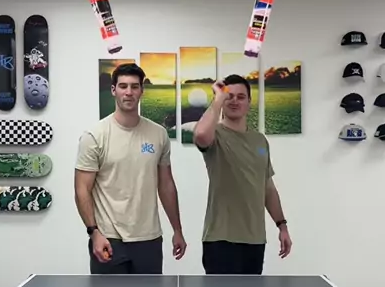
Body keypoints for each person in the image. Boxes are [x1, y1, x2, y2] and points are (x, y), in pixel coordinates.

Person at [75, 62, 186, 274]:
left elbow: (166, 185)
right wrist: (93, 232)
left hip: (149, 239)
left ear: (142, 91)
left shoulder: (159, 134)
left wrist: (177, 230)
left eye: (135, 86)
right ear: (113, 90)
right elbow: (82, 189)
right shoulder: (94, 136)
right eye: (123, 86)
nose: (129, 92)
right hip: (108, 239)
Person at [193, 73, 292, 275]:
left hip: (255, 240)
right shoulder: (215, 135)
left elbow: (267, 187)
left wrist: (282, 226)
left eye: (241, 97)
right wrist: (218, 98)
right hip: (220, 239)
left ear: (249, 102)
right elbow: (201, 135)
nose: (234, 101)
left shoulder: (260, 141)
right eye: (229, 96)